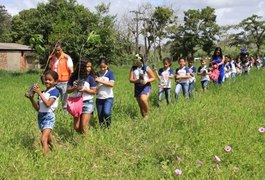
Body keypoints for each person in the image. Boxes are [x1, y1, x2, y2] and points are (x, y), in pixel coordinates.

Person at [25, 70, 60, 155]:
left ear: (55, 81)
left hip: (49, 117)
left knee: (43, 139)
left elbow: (48, 104)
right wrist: (31, 98)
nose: (47, 81)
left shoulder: (55, 91)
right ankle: (56, 152)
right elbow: (38, 108)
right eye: (46, 79)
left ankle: (46, 160)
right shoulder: (44, 92)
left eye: (50, 80)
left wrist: (39, 93)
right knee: (48, 139)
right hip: (40, 116)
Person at [67, 60, 97, 134]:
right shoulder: (73, 78)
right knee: (76, 127)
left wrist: (85, 90)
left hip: (87, 102)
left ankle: (87, 142)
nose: (89, 68)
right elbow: (68, 90)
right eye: (87, 66)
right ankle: (84, 135)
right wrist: (74, 87)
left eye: (90, 66)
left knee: (83, 126)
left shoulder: (90, 78)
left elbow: (94, 92)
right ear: (82, 68)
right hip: (76, 103)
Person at [48, 43, 73, 112]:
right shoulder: (52, 58)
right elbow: (49, 69)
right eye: (55, 50)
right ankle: (52, 112)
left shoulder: (67, 58)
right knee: (52, 98)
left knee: (65, 100)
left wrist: (70, 82)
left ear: (62, 49)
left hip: (64, 82)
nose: (57, 52)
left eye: (59, 50)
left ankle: (65, 114)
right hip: (54, 82)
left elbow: (71, 71)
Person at [129, 54, 155, 118]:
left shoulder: (146, 68)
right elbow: (130, 80)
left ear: (141, 60)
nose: (136, 62)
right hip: (137, 86)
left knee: (143, 99)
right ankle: (144, 118)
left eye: (137, 60)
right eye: (135, 60)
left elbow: (153, 78)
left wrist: (146, 80)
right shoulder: (133, 68)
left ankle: (147, 115)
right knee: (140, 105)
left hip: (145, 86)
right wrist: (137, 81)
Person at [95, 58, 115, 128]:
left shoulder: (110, 73)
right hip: (99, 98)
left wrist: (100, 81)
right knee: (100, 117)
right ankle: (103, 130)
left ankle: (109, 127)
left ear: (107, 65)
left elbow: (111, 84)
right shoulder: (96, 74)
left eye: (104, 67)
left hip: (108, 97)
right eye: (101, 67)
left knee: (107, 113)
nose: (102, 69)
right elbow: (94, 85)